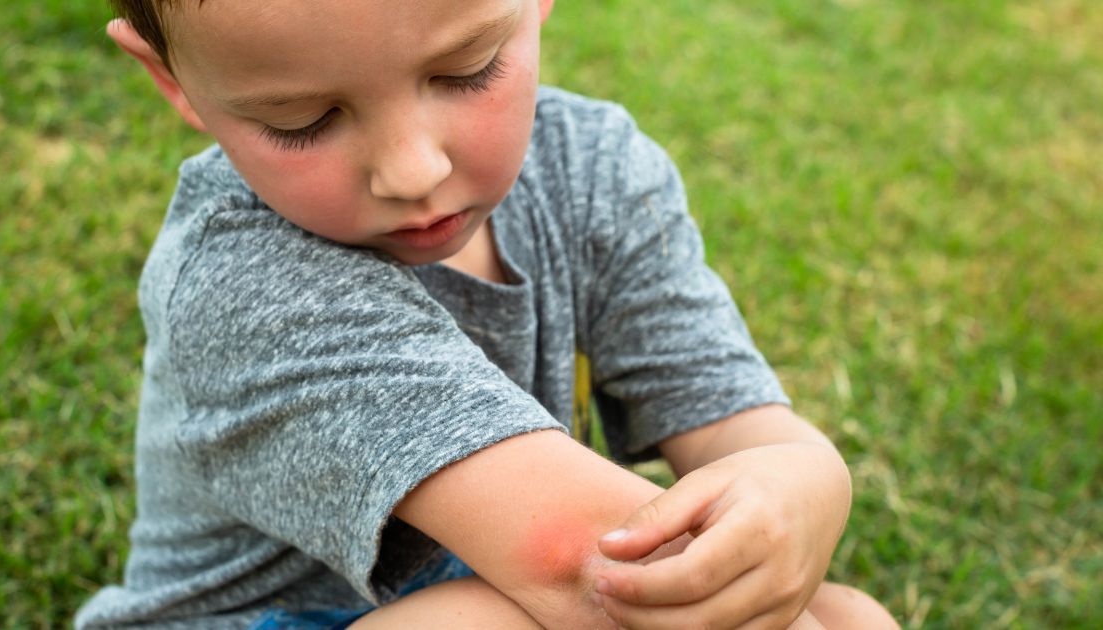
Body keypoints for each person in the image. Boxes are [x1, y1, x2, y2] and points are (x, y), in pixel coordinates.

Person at [77, 0, 898, 627]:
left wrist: (804, 476)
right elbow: (580, 566)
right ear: (173, 79)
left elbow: (733, 424)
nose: (411, 169)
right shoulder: (244, 282)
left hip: (491, 595)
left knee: (849, 614)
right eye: (303, 120)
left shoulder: (595, 171)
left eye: (466, 70)